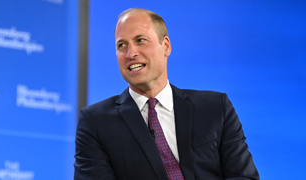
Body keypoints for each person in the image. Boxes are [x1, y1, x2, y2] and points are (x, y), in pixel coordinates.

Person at [74, 8, 259, 180]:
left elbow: (244, 176)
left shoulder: (216, 108)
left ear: (166, 46)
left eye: (140, 40)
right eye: (122, 45)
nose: (131, 53)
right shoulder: (95, 123)